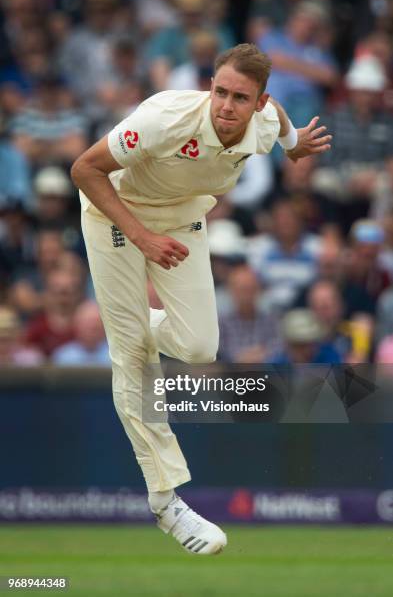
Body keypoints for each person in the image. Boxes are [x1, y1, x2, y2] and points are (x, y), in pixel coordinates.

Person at [71, 43, 331, 555]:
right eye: (220, 92)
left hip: (184, 217)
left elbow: (278, 118)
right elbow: (84, 169)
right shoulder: (165, 118)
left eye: (240, 98)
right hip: (115, 215)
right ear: (209, 87)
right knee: (134, 359)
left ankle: (125, 317)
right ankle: (166, 503)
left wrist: (294, 142)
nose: (226, 106)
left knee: (197, 349)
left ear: (258, 102)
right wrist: (142, 236)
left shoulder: (263, 121)